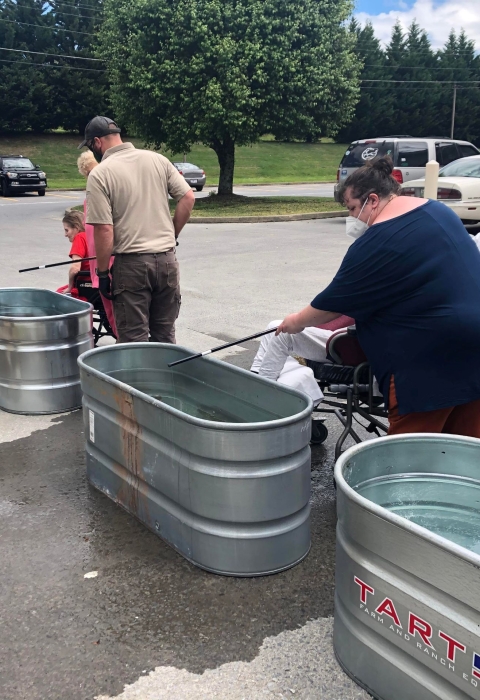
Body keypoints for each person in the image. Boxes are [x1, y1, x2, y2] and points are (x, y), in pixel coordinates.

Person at [275, 157, 480, 437]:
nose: (352, 218)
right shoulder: (438, 211)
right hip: (474, 352)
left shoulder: (378, 241)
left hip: (427, 365)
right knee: (464, 454)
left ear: (373, 199)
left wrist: (296, 321)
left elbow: (332, 303)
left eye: (352, 208)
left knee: (411, 459)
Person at [80, 115, 195, 343]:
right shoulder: (157, 160)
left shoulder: (100, 173)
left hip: (131, 266)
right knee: (164, 336)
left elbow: (104, 230)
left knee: (134, 341)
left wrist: (103, 274)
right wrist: (172, 234)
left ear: (97, 142)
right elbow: (188, 198)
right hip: (167, 262)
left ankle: (136, 380)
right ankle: (165, 378)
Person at [251, 316, 354, 404]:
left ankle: (261, 394)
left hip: (350, 340)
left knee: (283, 332)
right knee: (274, 325)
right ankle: (255, 377)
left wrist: (298, 320)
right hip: (346, 332)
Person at [77, 150, 117, 337]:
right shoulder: (109, 185)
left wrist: (102, 272)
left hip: (105, 262)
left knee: (114, 313)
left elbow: (103, 231)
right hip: (111, 259)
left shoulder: (94, 194)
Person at [61, 210, 89, 294]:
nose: (65, 235)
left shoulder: (79, 237)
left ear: (76, 227)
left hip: (85, 285)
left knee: (56, 296)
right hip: (99, 282)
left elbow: (75, 269)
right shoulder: (92, 235)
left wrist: (70, 287)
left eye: (67, 230)